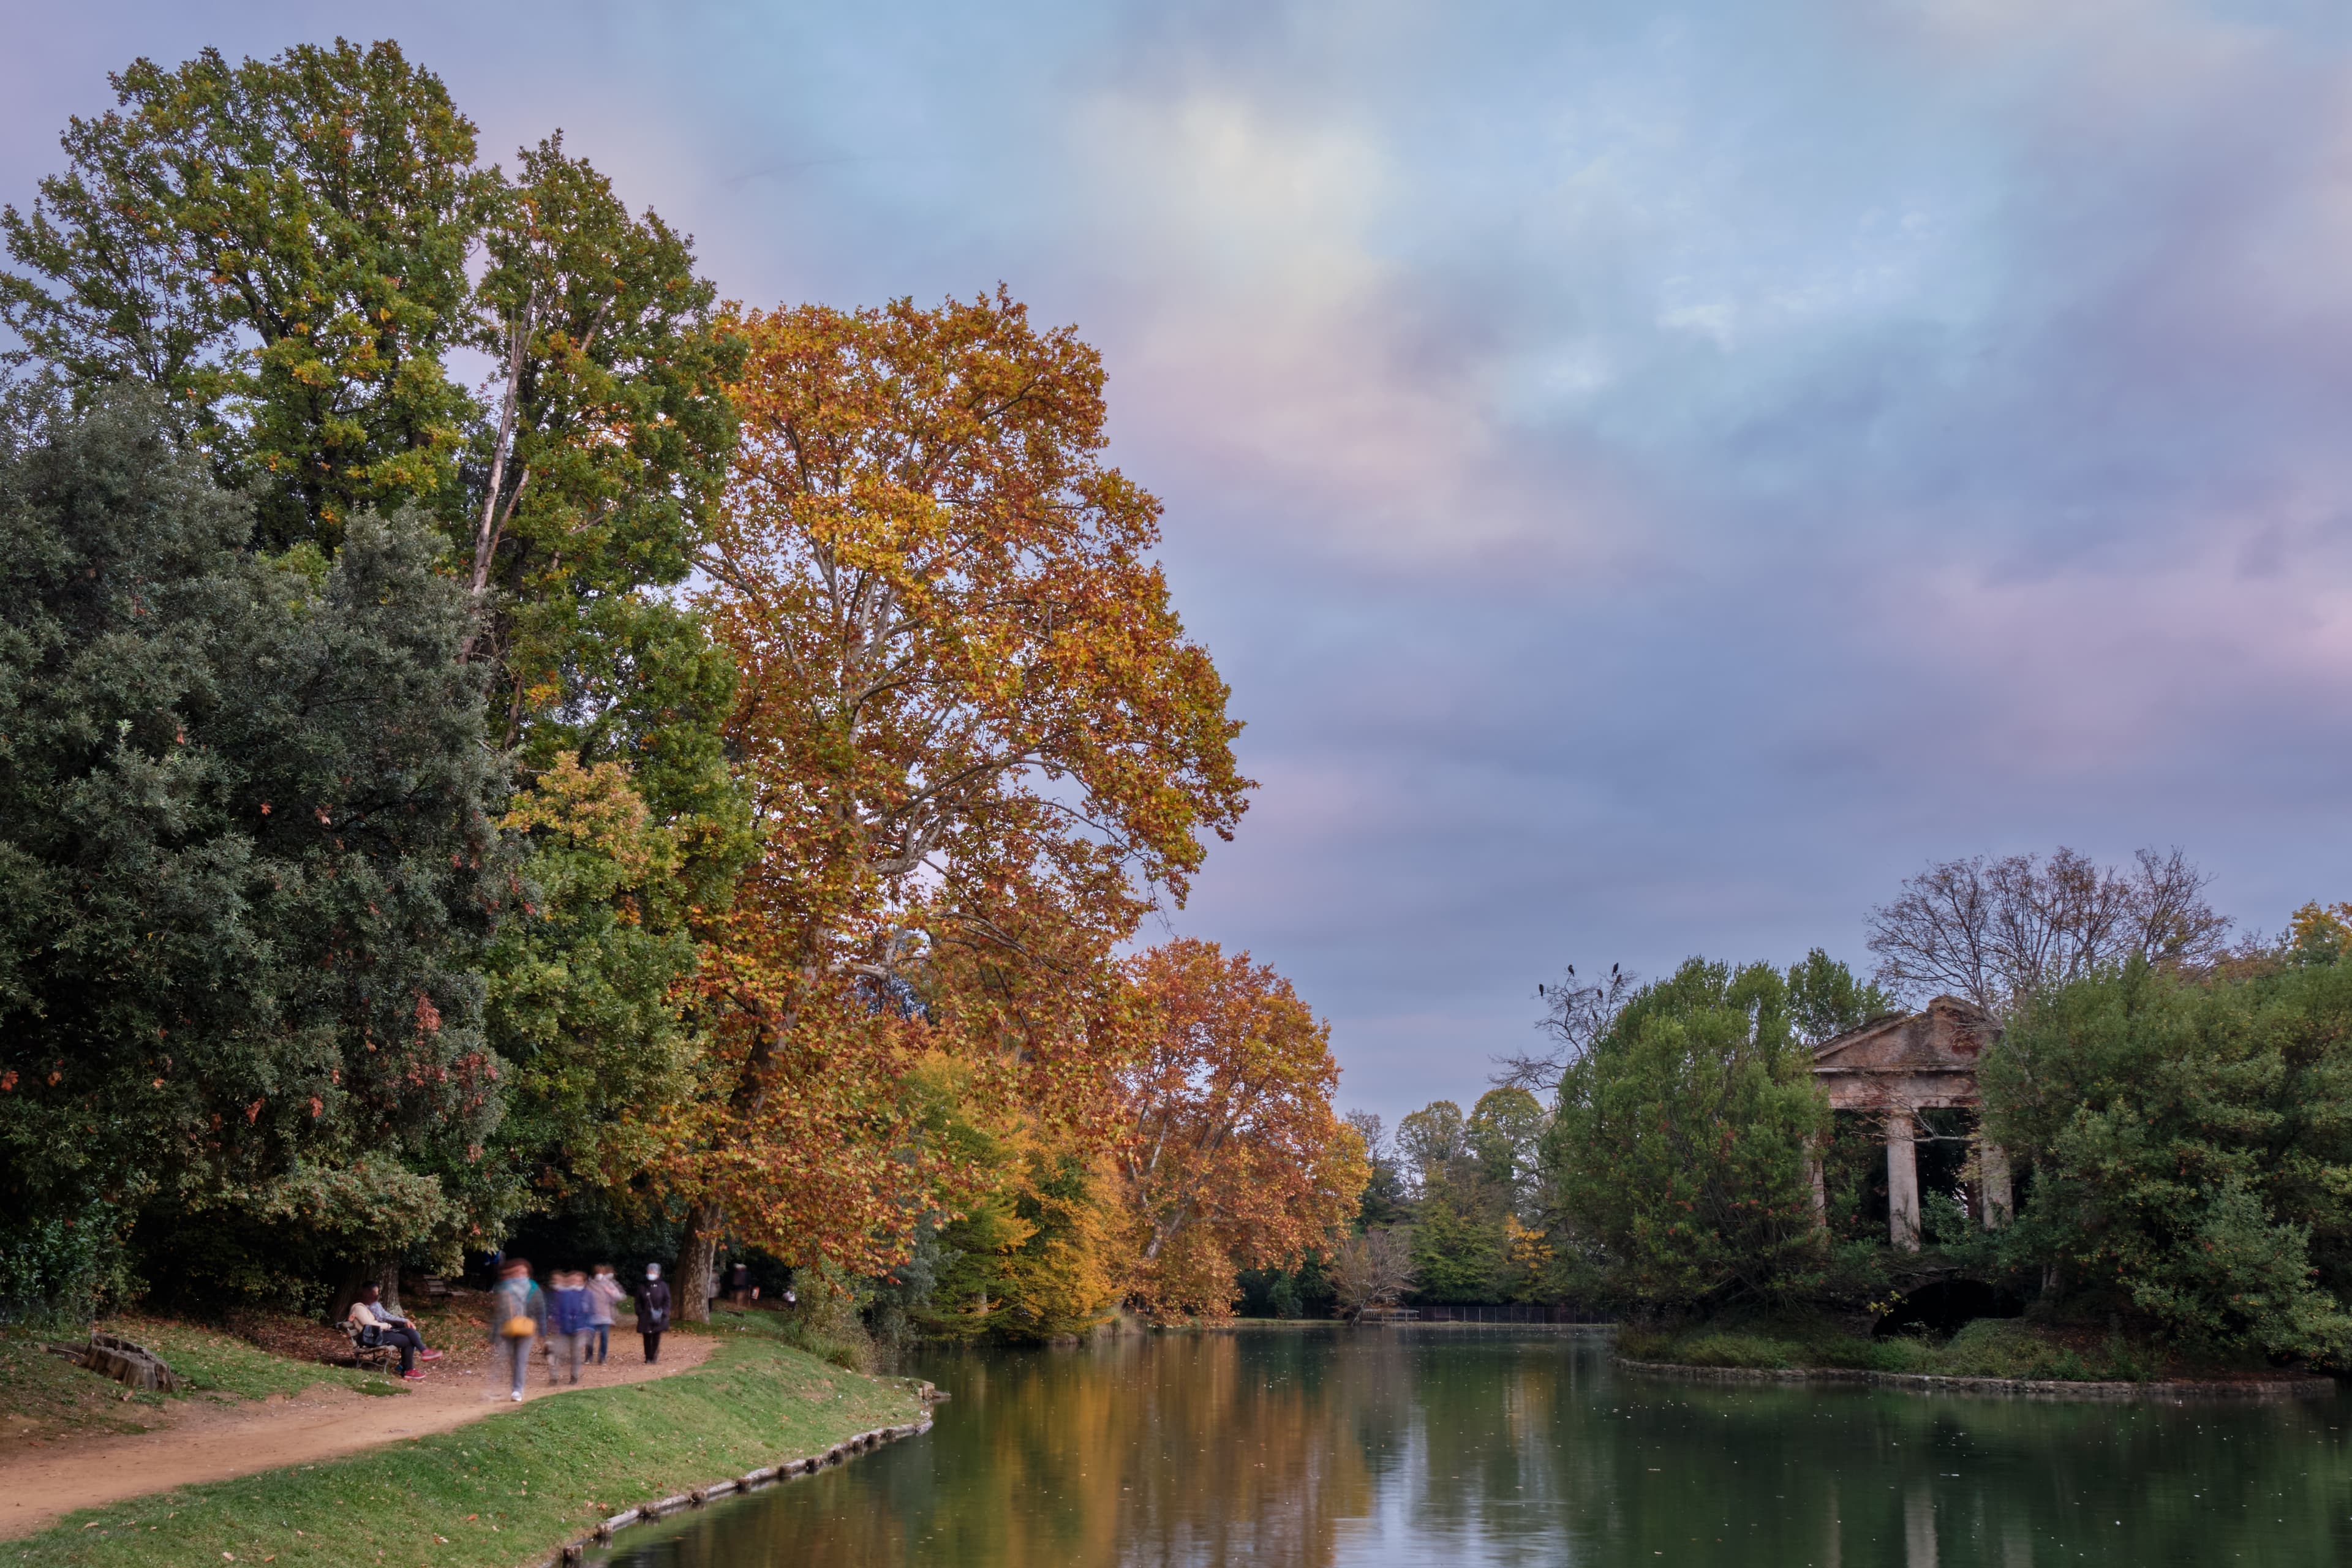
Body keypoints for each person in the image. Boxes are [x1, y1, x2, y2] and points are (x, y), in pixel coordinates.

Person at [346, 1284, 439, 1381]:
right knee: (408, 1340)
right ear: (368, 1294)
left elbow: (377, 1320)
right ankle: (409, 1370)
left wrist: (398, 1323)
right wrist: (386, 1326)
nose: (377, 1295)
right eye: (375, 1293)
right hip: (373, 1337)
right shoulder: (358, 1308)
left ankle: (425, 1352)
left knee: (410, 1332)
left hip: (380, 1333)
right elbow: (368, 1324)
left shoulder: (366, 1306)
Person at [488, 1257, 546, 1403]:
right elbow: (499, 1312)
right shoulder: (503, 1288)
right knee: (505, 1359)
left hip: (526, 1329)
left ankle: (517, 1390)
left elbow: (541, 1311)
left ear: (528, 1273)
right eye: (517, 1271)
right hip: (506, 1328)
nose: (520, 1274)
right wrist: (494, 1334)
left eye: (523, 1271)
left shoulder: (534, 1288)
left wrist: (543, 1332)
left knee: (521, 1360)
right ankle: (494, 1389)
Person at [548, 1269, 593, 1385]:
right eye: (573, 1280)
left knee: (576, 1355)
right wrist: (556, 1324)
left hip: (580, 1330)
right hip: (564, 1330)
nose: (575, 1283)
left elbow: (591, 1313)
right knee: (557, 1353)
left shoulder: (587, 1295)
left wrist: (588, 1327)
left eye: (578, 1281)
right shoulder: (563, 1295)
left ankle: (574, 1377)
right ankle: (554, 1377)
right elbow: (557, 1311)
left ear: (583, 1282)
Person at [586, 1264, 625, 1365]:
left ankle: (602, 1358)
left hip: (604, 1316)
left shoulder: (608, 1284)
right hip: (592, 1316)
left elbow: (620, 1296)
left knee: (604, 1338)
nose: (599, 1275)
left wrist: (611, 1292)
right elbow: (585, 1298)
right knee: (590, 1338)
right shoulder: (590, 1285)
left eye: (601, 1273)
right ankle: (588, 1357)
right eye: (597, 1273)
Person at [635, 1262, 671, 1363]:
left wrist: (665, 1312)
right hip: (645, 1316)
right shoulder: (642, 1286)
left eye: (653, 1272)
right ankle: (648, 1357)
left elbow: (667, 1300)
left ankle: (654, 1356)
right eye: (650, 1272)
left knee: (656, 1336)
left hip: (659, 1315)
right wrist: (640, 1312)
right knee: (647, 1337)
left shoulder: (663, 1286)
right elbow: (638, 1302)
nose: (651, 1274)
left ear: (658, 1274)